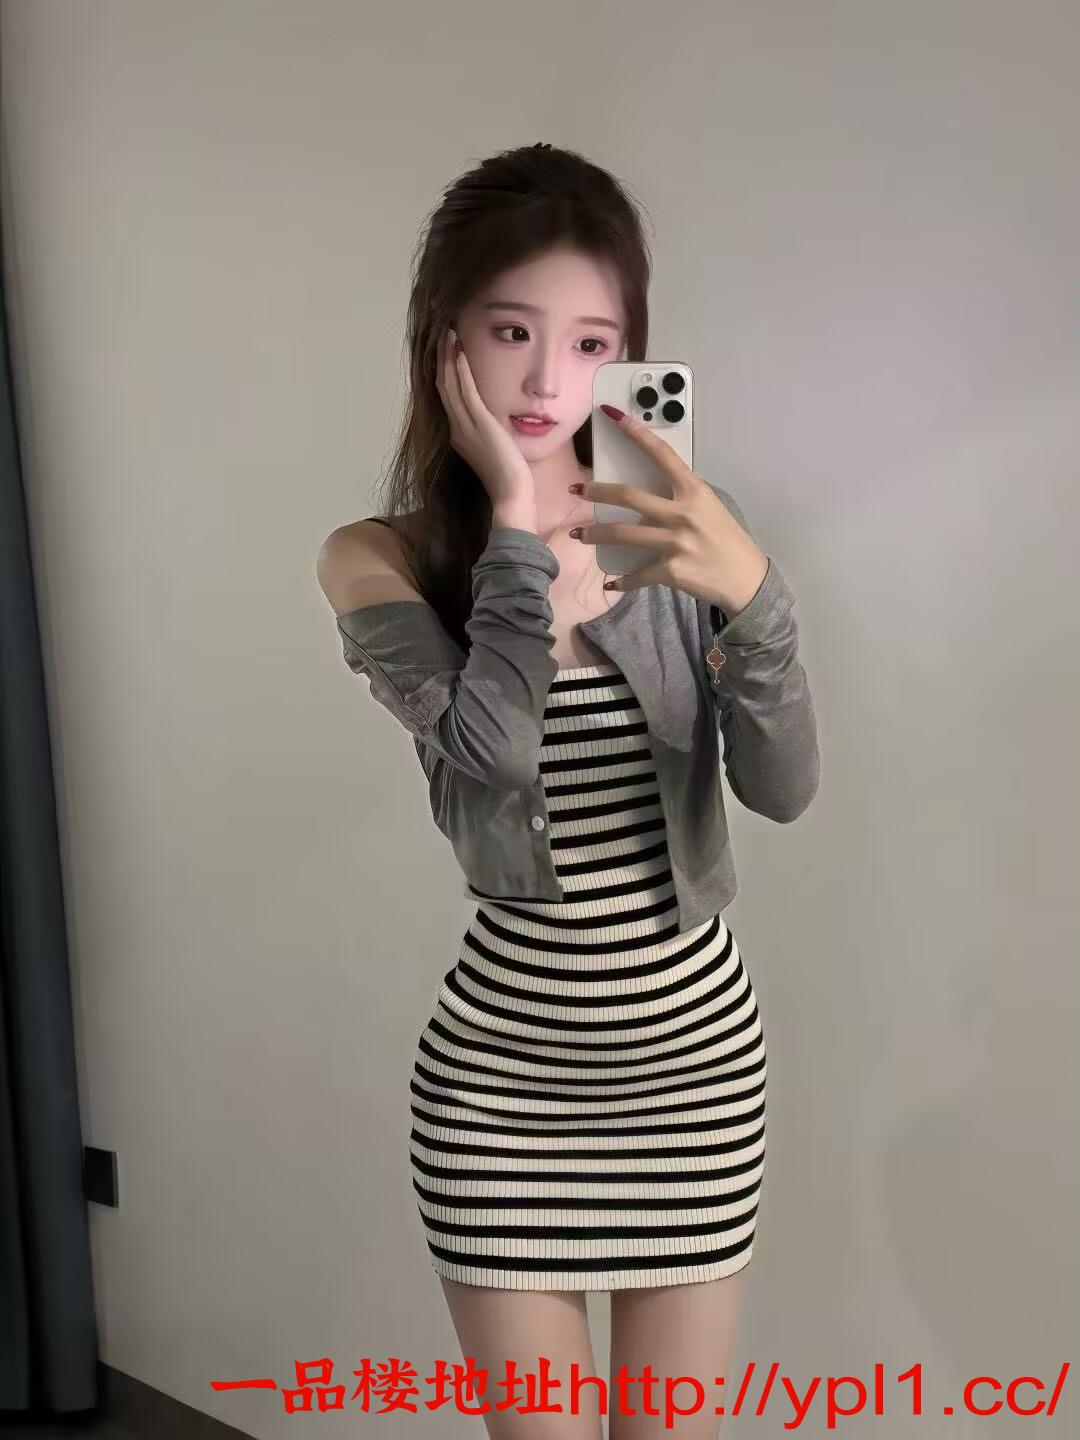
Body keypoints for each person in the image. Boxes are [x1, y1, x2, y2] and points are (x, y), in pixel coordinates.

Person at [317, 143, 820, 1439]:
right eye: (512, 332)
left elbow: (782, 789)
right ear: (445, 339)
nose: (550, 382)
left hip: (693, 1083)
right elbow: (485, 757)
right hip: (502, 1097)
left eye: (593, 344)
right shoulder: (381, 559)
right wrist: (518, 543)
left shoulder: (682, 529)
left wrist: (754, 601)